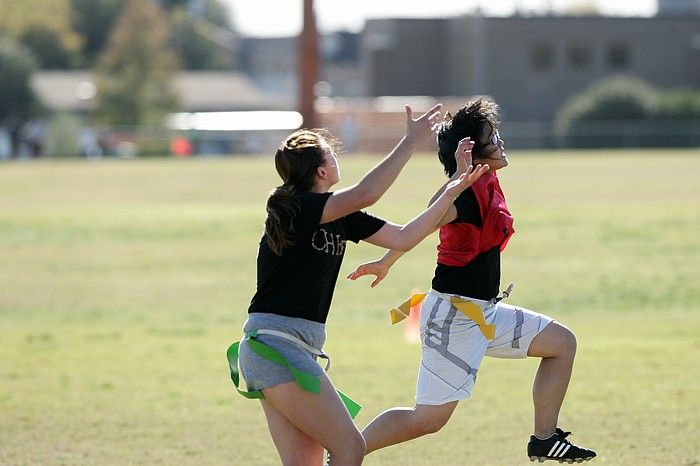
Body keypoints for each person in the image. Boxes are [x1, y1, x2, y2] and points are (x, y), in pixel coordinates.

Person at [227, 103, 489, 466]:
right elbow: (367, 191)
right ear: (321, 170)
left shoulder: (342, 217)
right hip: (274, 347)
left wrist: (451, 191)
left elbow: (404, 237)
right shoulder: (293, 206)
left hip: (294, 350)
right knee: (350, 448)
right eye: (332, 154)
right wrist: (410, 142)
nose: (338, 157)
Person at [348, 98, 597, 463]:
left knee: (561, 344)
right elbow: (419, 226)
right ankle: (345, 450)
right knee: (427, 420)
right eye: (490, 137)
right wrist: (387, 260)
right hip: (453, 318)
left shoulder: (488, 180)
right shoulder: (456, 196)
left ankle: (544, 440)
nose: (499, 141)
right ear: (471, 152)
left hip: (484, 313)